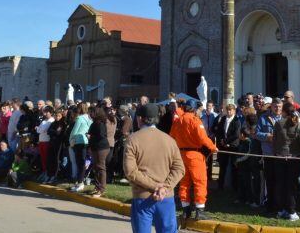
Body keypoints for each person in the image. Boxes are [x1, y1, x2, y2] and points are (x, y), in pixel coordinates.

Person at [124, 103, 185, 233]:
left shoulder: (133, 140)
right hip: (166, 197)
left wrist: (155, 187)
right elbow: (179, 169)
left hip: (142, 197)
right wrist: (164, 187)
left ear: (140, 119)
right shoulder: (169, 140)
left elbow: (130, 171)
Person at [169, 98, 217, 220]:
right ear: (194, 109)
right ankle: (199, 210)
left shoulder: (178, 121)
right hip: (194, 155)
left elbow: (171, 137)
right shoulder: (195, 121)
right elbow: (203, 138)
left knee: (184, 183)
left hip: (181, 155)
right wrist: (213, 147)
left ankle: (186, 210)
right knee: (199, 182)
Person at [272, 102, 300, 221]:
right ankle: (291, 211)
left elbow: (274, 140)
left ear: (284, 111)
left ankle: (281, 210)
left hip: (280, 157)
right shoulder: (298, 124)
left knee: (280, 184)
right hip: (294, 157)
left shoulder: (278, 123)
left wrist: (277, 151)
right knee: (291, 185)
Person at [255, 98, 283, 214]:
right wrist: (267, 136)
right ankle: (270, 204)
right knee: (270, 180)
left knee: (280, 180)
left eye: (280, 107)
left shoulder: (285, 119)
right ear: (271, 107)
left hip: (281, 154)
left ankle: (279, 205)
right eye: (275, 106)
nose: (278, 109)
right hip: (269, 154)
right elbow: (257, 134)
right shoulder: (263, 118)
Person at [214, 103, 240, 190]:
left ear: (234, 111)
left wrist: (226, 141)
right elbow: (219, 131)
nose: (228, 112)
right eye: (227, 110)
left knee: (234, 166)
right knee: (222, 166)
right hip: (223, 146)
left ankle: (234, 187)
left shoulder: (237, 120)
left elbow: (236, 134)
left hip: (233, 146)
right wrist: (221, 141)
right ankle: (220, 185)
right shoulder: (223, 118)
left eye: (230, 110)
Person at [88, 107, 111, 197]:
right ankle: (97, 186)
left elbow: (101, 135)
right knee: (96, 167)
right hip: (95, 147)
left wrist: (91, 137)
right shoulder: (95, 123)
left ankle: (102, 189)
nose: (90, 114)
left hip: (101, 147)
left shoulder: (100, 123)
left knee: (101, 167)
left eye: (91, 112)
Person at [69, 102, 91, 192]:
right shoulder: (89, 118)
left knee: (79, 163)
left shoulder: (79, 118)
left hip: (78, 141)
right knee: (82, 162)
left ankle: (80, 182)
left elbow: (74, 131)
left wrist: (70, 139)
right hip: (86, 141)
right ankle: (79, 182)